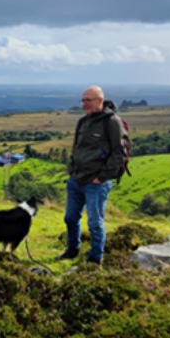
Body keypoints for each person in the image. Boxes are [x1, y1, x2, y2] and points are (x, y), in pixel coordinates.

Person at [57, 85, 126, 264]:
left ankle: (95, 258)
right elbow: (76, 147)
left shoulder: (112, 122)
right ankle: (73, 249)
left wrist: (101, 177)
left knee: (95, 223)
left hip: (96, 183)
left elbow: (119, 153)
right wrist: (72, 170)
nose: (84, 104)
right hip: (76, 180)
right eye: (83, 100)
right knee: (70, 218)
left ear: (100, 101)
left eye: (88, 100)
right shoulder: (83, 121)